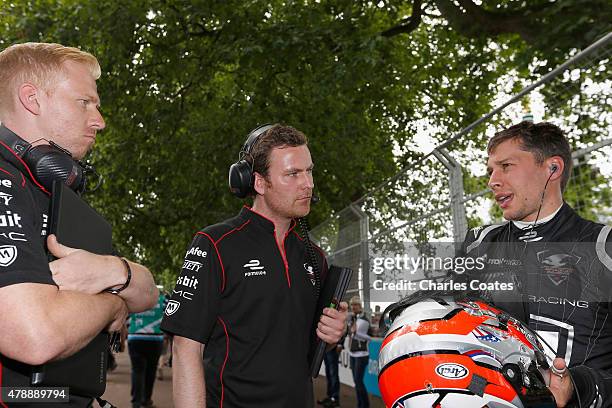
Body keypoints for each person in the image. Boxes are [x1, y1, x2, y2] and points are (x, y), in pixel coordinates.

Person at [0, 42, 158, 407]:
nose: (99, 120)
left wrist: (111, 269)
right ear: (32, 99)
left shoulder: (51, 190)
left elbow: (148, 292)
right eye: (84, 102)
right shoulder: (6, 181)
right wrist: (112, 306)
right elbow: (35, 336)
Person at [161, 124, 348, 407]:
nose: (307, 183)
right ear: (258, 182)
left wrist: (331, 335)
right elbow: (186, 346)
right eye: (292, 174)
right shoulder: (214, 244)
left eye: (308, 171)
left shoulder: (315, 257)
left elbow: (307, 345)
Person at [458, 121, 612, 407]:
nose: (492, 180)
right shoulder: (477, 246)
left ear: (552, 168)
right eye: (491, 170)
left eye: (506, 166)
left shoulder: (603, 248)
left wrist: (580, 387)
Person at [127, 286, 167, 408]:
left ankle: (136, 402)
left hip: (135, 337)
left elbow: (126, 318)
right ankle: (146, 400)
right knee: (151, 371)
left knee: (137, 371)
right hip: (155, 339)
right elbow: (169, 316)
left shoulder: (134, 301)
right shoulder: (163, 300)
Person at [348, 296, 371, 408]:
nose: (353, 307)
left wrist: (355, 333)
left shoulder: (364, 319)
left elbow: (368, 337)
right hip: (353, 353)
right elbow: (351, 333)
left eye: (355, 304)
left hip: (361, 354)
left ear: (359, 306)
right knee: (356, 382)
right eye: (352, 305)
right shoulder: (353, 318)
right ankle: (360, 405)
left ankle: (365, 405)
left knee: (358, 381)